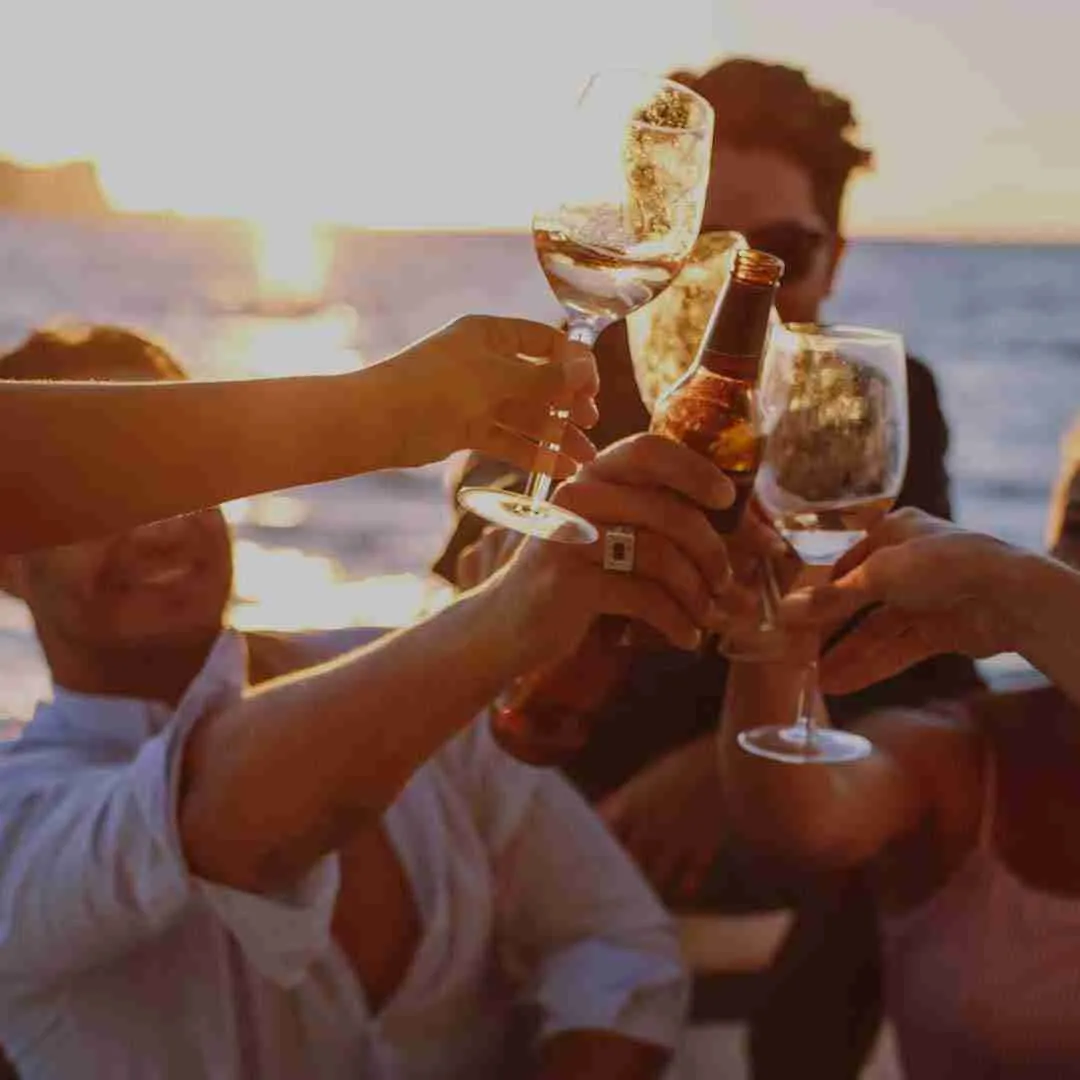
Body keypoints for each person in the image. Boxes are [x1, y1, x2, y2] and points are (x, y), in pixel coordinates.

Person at [0, 328, 740, 1079]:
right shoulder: (14, 817)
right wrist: (512, 612)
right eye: (105, 497)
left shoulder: (404, 671)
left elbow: (614, 947)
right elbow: (218, 823)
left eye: (180, 478)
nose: (162, 524)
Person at [439, 57, 981, 1078]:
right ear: (656, 248)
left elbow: (924, 658)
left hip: (785, 856)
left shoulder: (876, 391)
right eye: (709, 249)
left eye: (783, 249)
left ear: (836, 254)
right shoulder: (568, 381)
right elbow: (479, 572)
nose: (748, 282)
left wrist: (725, 766)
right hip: (561, 820)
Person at [717, 420, 1080, 1078]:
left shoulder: (1024, 591)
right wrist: (772, 630)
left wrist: (1014, 589)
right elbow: (800, 817)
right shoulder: (960, 756)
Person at [0, 314, 598, 554]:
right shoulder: (32, 805)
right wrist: (384, 412)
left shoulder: (327, 661)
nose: (163, 525)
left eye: (180, 491)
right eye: (116, 501)